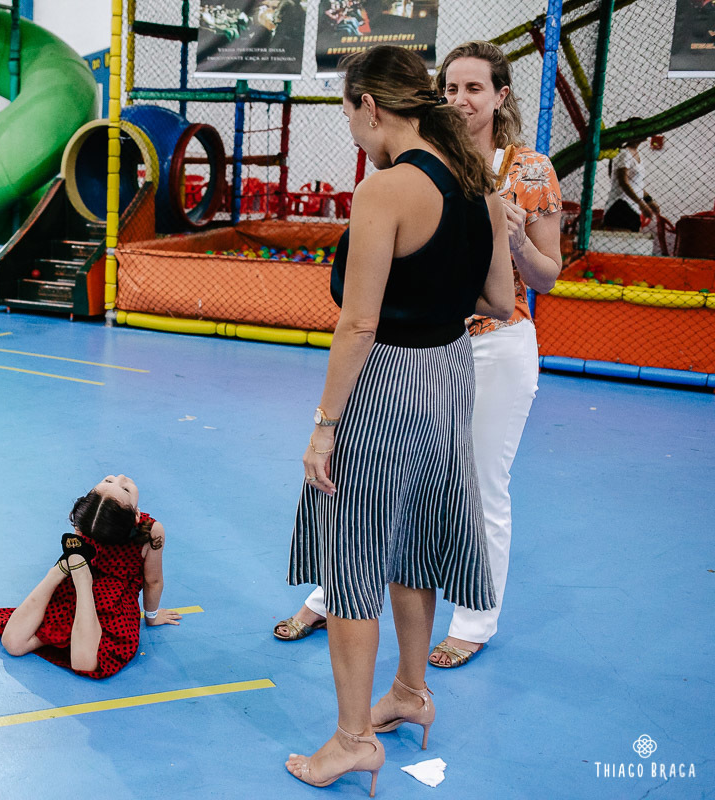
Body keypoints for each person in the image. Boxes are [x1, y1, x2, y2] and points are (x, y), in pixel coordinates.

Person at [275, 41, 564, 674]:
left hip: (433, 361)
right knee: (411, 510)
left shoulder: (497, 176)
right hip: (445, 354)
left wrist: (324, 424)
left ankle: (455, 637)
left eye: (474, 89)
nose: (461, 100)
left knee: (416, 508)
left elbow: (361, 322)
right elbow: (482, 296)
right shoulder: (460, 181)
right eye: (450, 88)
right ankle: (398, 672)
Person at [282, 45, 514, 794]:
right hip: (448, 376)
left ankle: (352, 740)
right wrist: (435, 293)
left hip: (389, 385)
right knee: (413, 540)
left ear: (371, 106)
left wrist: (325, 424)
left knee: (353, 562)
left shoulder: (386, 191)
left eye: (349, 114)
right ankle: (411, 691)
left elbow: (357, 326)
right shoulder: (480, 187)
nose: (352, 129)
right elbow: (502, 303)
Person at [0, 475, 181, 678]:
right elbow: (153, 581)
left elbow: (152, 581)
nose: (119, 478)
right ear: (136, 516)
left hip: (92, 593)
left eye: (122, 488)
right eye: (111, 482)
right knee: (21, 645)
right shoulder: (145, 528)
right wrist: (152, 616)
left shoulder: (93, 519)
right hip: (102, 599)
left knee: (29, 648)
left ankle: (69, 574)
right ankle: (70, 575)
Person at [604, 120, 658, 231]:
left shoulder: (637, 154)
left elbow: (636, 184)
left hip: (631, 207)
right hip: (621, 206)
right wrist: (642, 204)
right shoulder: (624, 153)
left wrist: (649, 200)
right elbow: (623, 182)